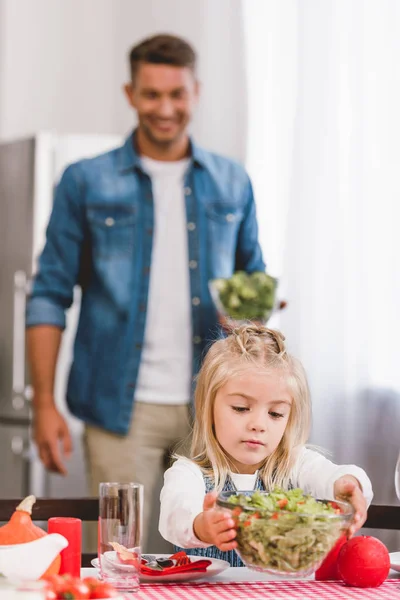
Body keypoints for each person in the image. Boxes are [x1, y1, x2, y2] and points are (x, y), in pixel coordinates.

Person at [25, 34, 266, 550]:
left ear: (195, 92)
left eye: (176, 94)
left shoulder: (232, 182)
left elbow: (253, 282)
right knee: (121, 554)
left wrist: (251, 320)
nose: (165, 108)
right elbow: (48, 294)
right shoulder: (85, 181)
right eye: (151, 94)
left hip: (212, 405)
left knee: (210, 550)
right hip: (117, 407)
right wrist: (43, 403)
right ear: (130, 93)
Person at [159, 324, 373, 565]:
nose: (258, 425)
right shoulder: (188, 474)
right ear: (208, 408)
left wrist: (348, 484)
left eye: (275, 413)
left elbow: (334, 475)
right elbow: (174, 518)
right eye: (241, 408)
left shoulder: (296, 465)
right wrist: (202, 526)